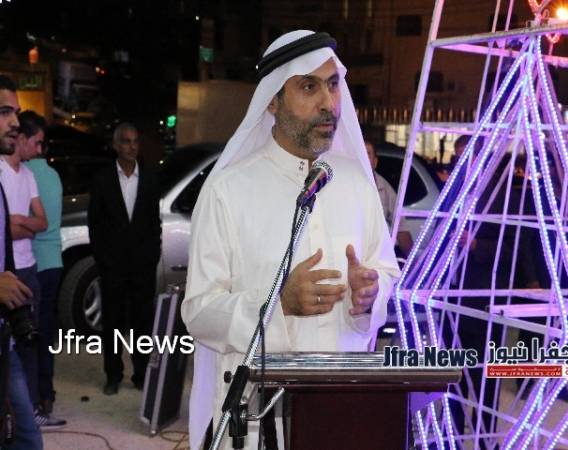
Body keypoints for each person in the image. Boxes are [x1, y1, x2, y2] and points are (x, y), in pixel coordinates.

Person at [181, 30, 400, 450]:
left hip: (342, 410)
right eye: (309, 87)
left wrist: (370, 294)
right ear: (273, 100)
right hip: (258, 420)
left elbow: (385, 271)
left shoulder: (357, 183)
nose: (328, 102)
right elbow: (199, 311)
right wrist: (277, 304)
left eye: (333, 85)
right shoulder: (228, 190)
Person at [0, 106, 67, 430]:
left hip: (30, 269)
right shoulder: (1, 171)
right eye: (37, 142)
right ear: (22, 139)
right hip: (7, 272)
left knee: (30, 342)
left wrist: (18, 222)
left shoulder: (28, 176)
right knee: (10, 348)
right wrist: (17, 225)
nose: (40, 150)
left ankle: (31, 411)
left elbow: (43, 223)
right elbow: (7, 231)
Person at [88, 123, 162, 395]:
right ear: (116, 145)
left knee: (143, 322)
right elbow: (95, 224)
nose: (131, 146)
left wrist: (152, 255)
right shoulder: (102, 179)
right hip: (113, 267)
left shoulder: (150, 178)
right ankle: (113, 374)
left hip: (143, 266)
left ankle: (141, 374)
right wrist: (103, 260)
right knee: (113, 323)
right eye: (126, 141)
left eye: (135, 141)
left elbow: (154, 222)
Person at [0, 74, 43, 450]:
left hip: (4, 338)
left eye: (15, 112)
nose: (15, 122)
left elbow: (38, 223)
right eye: (4, 112)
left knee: (27, 438)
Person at [23, 112, 63, 415]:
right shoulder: (53, 176)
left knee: (28, 335)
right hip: (55, 262)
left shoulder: (23, 175)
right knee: (46, 331)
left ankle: (32, 398)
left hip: (33, 261)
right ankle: (47, 394)